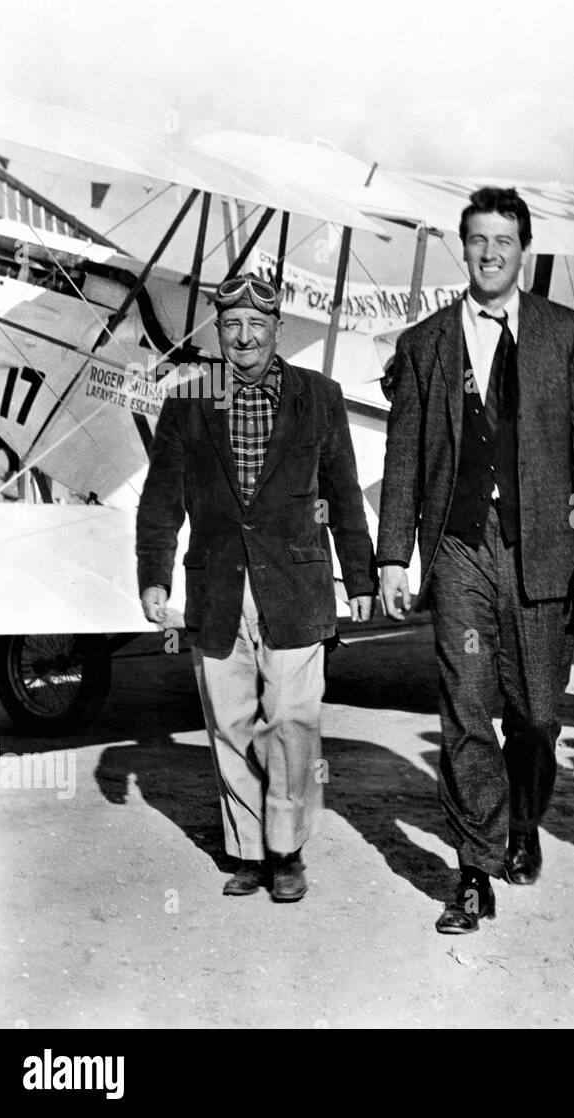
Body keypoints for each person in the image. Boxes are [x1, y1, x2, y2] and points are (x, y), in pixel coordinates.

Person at [377, 187, 574, 935]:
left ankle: (523, 817)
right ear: (463, 246)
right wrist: (392, 557)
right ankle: (473, 870)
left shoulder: (567, 334)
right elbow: (404, 456)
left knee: (538, 714)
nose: (489, 254)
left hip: (543, 549)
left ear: (525, 249)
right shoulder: (425, 344)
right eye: (477, 240)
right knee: (466, 707)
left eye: (503, 241)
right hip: (458, 549)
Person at [136, 275, 376, 902]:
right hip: (217, 585)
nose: (244, 337)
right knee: (231, 720)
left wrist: (361, 576)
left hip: (295, 585)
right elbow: (160, 502)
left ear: (278, 330)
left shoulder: (319, 398)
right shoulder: (186, 403)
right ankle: (247, 849)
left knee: (294, 720)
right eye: (232, 325)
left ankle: (286, 848)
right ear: (219, 331)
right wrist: (154, 575)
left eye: (257, 325)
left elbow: (344, 494)